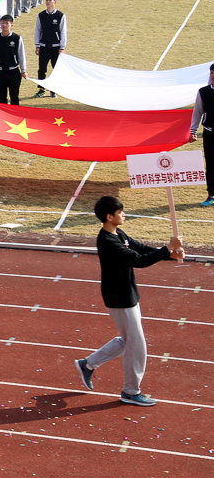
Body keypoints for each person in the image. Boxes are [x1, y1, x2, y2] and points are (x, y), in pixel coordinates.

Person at [75, 196, 183, 407]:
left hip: (129, 295)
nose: (124, 215)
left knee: (128, 341)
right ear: (109, 216)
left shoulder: (118, 234)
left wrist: (169, 253)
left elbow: (140, 248)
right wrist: (167, 248)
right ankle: (131, 391)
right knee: (137, 345)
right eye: (120, 212)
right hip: (119, 298)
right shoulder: (107, 241)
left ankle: (87, 364)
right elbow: (138, 260)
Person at [188, 63, 214, 206]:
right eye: (212, 73)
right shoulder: (203, 92)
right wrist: (193, 131)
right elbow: (197, 113)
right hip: (210, 134)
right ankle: (211, 195)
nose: (213, 76)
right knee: (210, 164)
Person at [32, 0, 65, 98]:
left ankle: (53, 89)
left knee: (56, 69)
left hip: (56, 47)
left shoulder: (60, 16)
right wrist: (37, 45)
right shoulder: (41, 15)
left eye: (50, 0)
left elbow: (63, 32)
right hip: (44, 46)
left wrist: (62, 47)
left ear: (55, 2)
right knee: (42, 69)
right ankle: (42, 89)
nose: (48, 2)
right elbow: (38, 31)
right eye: (46, 0)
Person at [0, 14, 27, 105]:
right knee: (2, 97)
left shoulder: (17, 38)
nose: (4, 25)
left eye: (6, 23)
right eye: (2, 23)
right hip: (0, 72)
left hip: (13, 71)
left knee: (14, 96)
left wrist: (23, 70)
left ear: (11, 25)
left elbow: (21, 54)